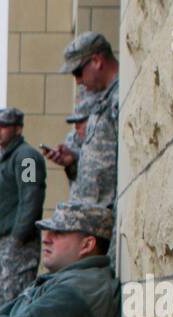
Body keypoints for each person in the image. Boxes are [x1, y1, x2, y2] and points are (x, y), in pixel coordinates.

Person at [0, 108, 46, 310]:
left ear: (18, 129)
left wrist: (19, 237)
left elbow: (31, 196)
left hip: (16, 241)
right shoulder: (0, 158)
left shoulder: (27, 157)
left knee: (15, 302)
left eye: (4, 126)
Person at [42, 32, 119, 208]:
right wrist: (73, 161)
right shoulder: (102, 101)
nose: (78, 82)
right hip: (94, 212)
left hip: (109, 209)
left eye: (78, 72)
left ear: (97, 61)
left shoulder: (119, 97)